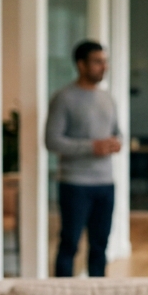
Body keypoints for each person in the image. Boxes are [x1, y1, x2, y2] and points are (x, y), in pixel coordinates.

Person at [45, 40, 121, 277]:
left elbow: (118, 132)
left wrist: (116, 142)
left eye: (105, 61)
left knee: (100, 246)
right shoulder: (64, 98)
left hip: (105, 184)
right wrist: (92, 147)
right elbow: (52, 141)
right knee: (69, 244)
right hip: (75, 184)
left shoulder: (108, 98)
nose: (104, 67)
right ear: (81, 64)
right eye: (98, 62)